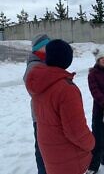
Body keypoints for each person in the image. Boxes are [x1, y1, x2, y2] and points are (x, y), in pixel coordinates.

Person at [25, 39, 95, 174]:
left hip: (50, 152)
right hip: (69, 157)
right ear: (67, 59)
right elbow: (76, 131)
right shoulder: (66, 89)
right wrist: (91, 143)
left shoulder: (40, 82)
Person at [23, 33, 50, 174]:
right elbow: (33, 90)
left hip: (48, 113)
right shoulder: (34, 65)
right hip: (40, 115)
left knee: (48, 146)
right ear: (39, 48)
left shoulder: (45, 62)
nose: (49, 48)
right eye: (46, 46)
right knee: (41, 147)